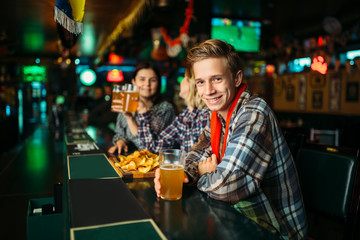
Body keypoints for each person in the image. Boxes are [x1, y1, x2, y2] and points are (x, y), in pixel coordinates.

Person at [154, 39, 307, 239]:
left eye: (217, 79)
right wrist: (186, 173)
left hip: (274, 230)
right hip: (238, 220)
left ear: (236, 79)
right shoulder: (217, 116)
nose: (208, 91)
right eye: (201, 82)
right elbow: (198, 151)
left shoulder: (253, 112)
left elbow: (228, 185)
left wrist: (196, 175)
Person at [108, 62, 176, 154]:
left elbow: (148, 149)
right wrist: (120, 142)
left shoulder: (165, 109)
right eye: (142, 79)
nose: (147, 84)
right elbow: (120, 132)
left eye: (152, 80)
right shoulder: (128, 104)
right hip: (130, 160)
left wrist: (131, 118)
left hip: (153, 163)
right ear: (133, 82)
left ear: (158, 83)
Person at [137, 67, 209, 154]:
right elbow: (154, 148)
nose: (181, 82)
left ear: (192, 83)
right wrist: (143, 113)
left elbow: (202, 156)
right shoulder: (184, 116)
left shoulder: (205, 114)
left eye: (184, 78)